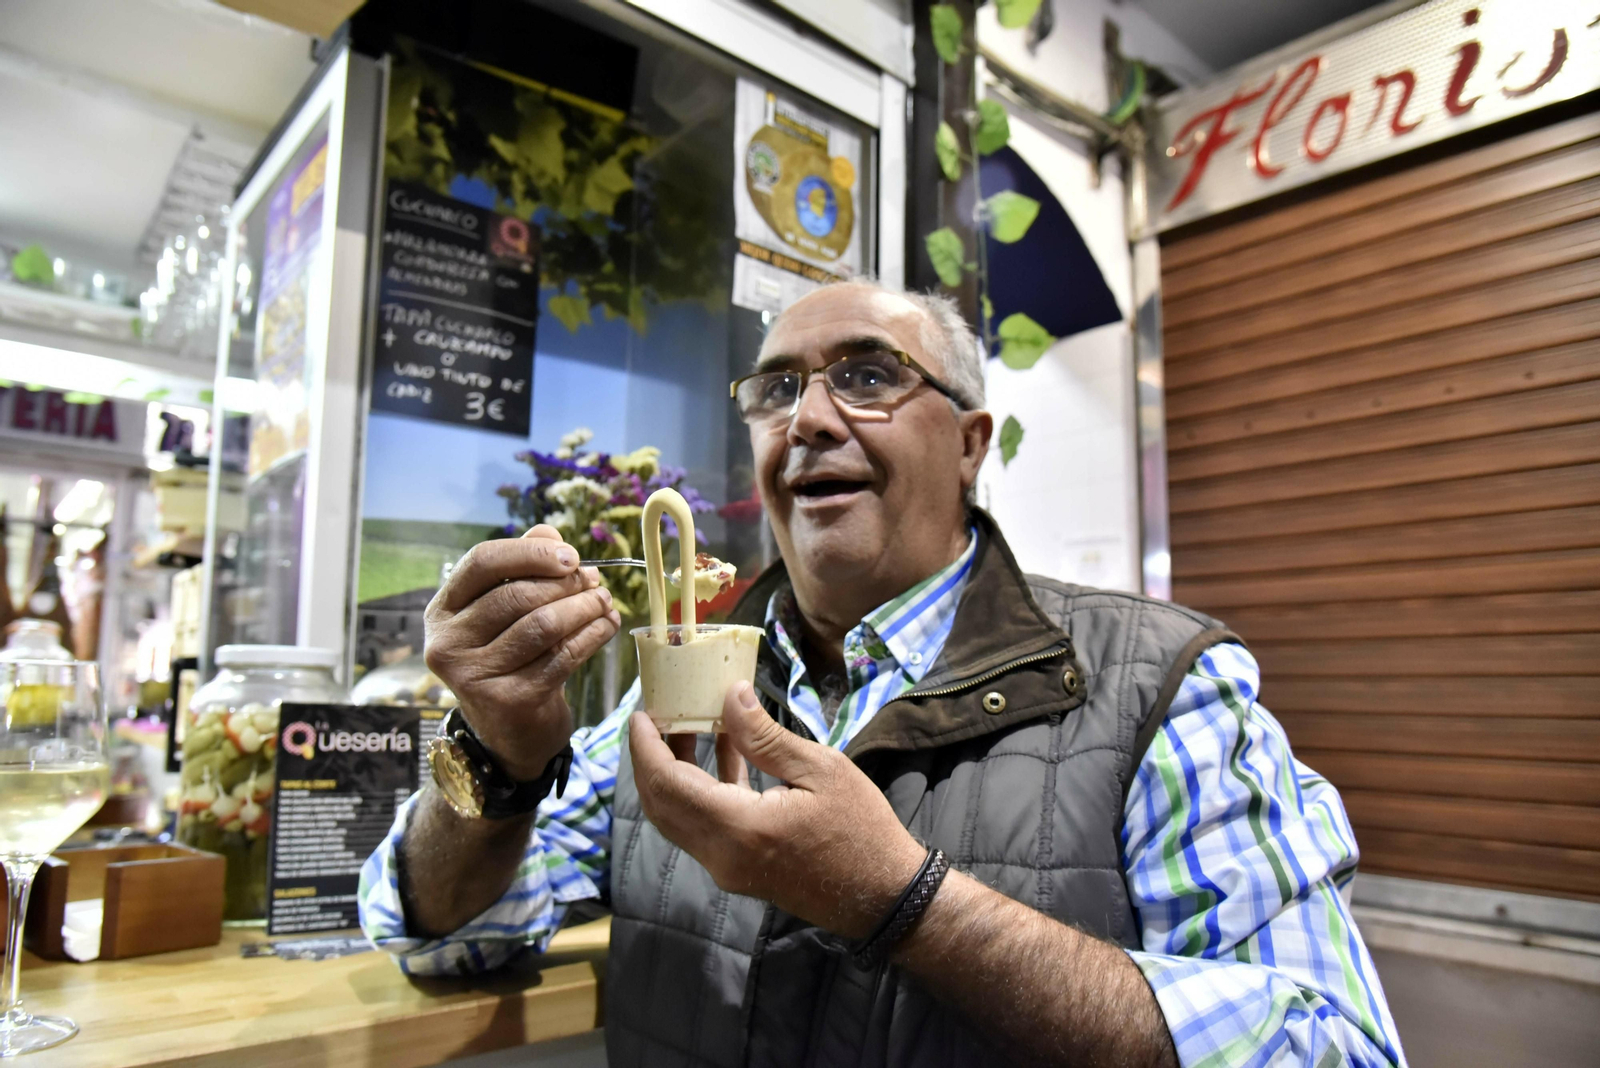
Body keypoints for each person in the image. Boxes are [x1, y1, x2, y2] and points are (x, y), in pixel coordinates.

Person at [359, 280, 1405, 1068]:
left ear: (969, 443)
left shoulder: (1160, 688)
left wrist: (903, 902)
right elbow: (447, 938)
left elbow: (1332, 1046)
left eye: (864, 377)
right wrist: (493, 754)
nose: (808, 419)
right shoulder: (680, 683)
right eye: (778, 389)